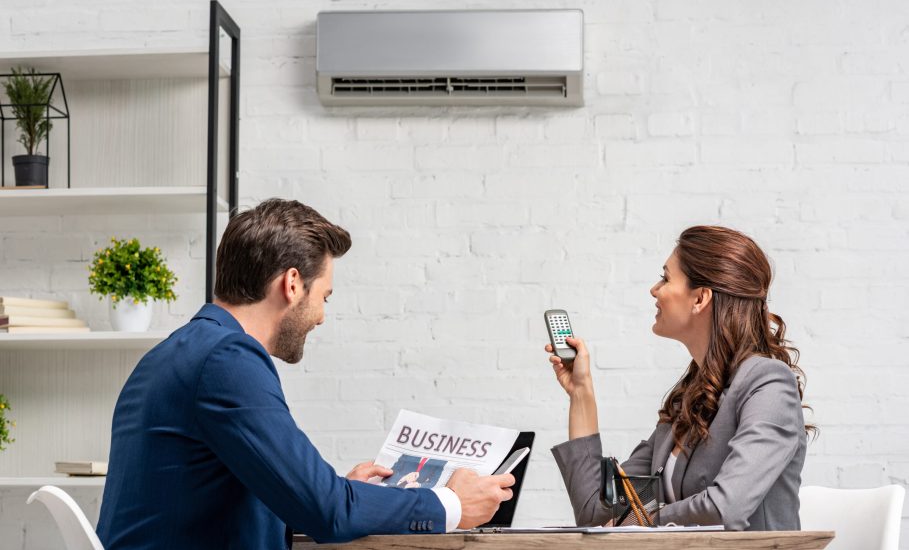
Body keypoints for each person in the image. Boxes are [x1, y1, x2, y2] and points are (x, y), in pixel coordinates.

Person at [97, 198, 514, 549]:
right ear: (292, 284)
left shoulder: (173, 354)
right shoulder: (227, 359)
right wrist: (451, 503)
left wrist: (339, 493)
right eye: (324, 297)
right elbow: (327, 512)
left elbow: (289, 500)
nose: (321, 317)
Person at [547, 226, 811, 531]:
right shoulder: (691, 398)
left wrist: (638, 521)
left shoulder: (768, 384)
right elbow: (595, 514)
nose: (654, 290)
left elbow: (725, 508)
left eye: (666, 278)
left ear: (700, 298)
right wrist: (581, 392)